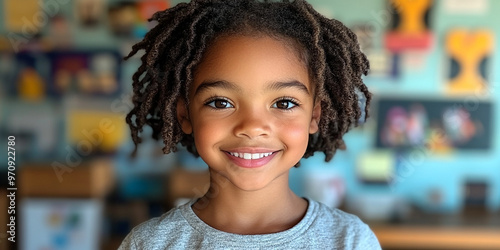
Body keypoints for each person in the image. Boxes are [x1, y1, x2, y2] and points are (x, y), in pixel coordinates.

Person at [119, 0, 381, 249]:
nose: (253, 126)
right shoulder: (149, 244)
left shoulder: (350, 241)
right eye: (221, 103)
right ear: (185, 115)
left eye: (284, 103)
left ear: (314, 116)